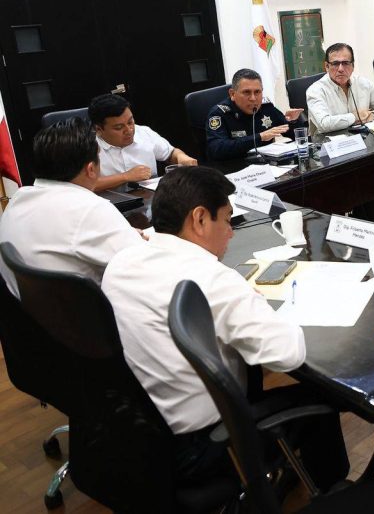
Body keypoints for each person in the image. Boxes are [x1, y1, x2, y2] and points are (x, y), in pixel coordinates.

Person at [102, 166, 347, 490]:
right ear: (200, 219)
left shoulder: (121, 262)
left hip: (143, 433)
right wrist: (256, 302)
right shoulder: (212, 279)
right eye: (228, 220)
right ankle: (334, 494)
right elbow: (287, 355)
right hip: (205, 444)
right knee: (321, 397)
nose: (231, 233)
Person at [0, 118, 143, 297]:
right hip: (92, 311)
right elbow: (144, 265)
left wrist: (119, 234)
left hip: (35, 310)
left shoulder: (18, 199)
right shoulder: (89, 208)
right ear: (91, 169)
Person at [89, 93, 197, 191]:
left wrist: (181, 157)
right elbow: (85, 185)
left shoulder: (143, 132)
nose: (129, 130)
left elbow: (171, 153)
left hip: (149, 198)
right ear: (98, 129)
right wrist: (126, 176)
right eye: (119, 127)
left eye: (130, 122)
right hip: (110, 204)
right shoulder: (87, 146)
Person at [206, 69, 304, 161]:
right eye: (246, 92)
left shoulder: (266, 108)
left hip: (267, 167)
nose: (253, 98)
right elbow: (217, 149)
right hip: (234, 167)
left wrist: (293, 122)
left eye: (257, 92)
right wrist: (260, 137)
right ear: (232, 94)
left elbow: (296, 137)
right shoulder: (220, 113)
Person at [306, 43, 374, 135]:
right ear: (327, 66)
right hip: (327, 141)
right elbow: (324, 124)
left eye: (345, 63)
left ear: (353, 66)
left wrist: (373, 115)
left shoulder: (362, 83)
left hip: (361, 137)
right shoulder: (315, 90)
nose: (341, 69)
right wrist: (355, 117)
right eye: (335, 64)